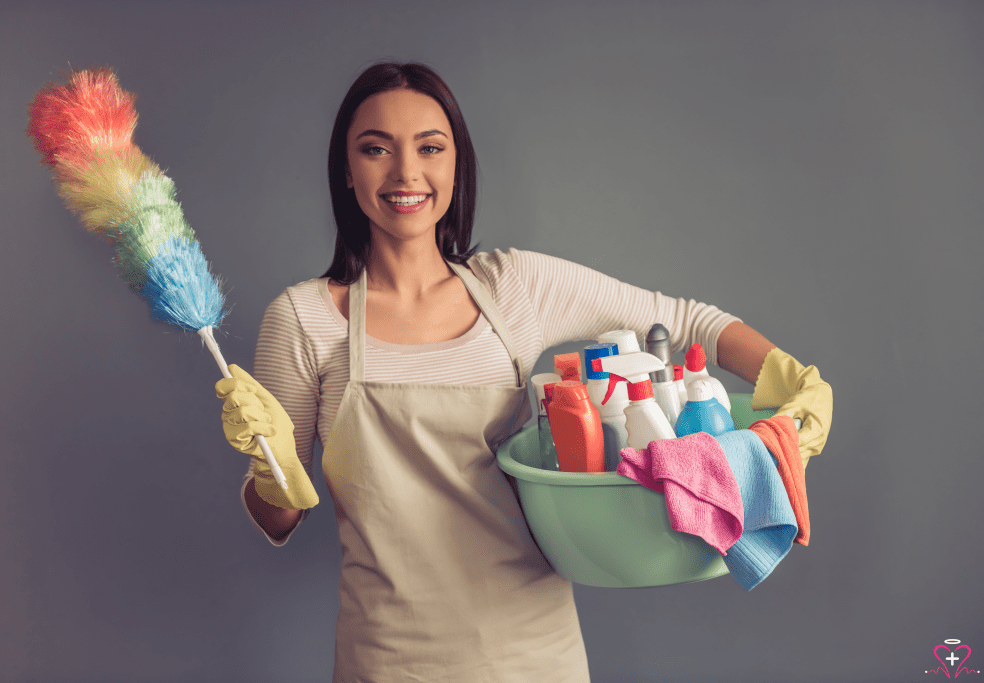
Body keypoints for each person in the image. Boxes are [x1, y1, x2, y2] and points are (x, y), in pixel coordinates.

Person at [215, 62, 831, 682]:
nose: (406, 173)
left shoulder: (515, 289)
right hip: (388, 659)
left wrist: (791, 377)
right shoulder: (303, 320)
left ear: (457, 165)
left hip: (534, 654)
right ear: (347, 171)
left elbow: (687, 321)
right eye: (376, 149)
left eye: (430, 148)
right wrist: (274, 476)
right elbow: (278, 523)